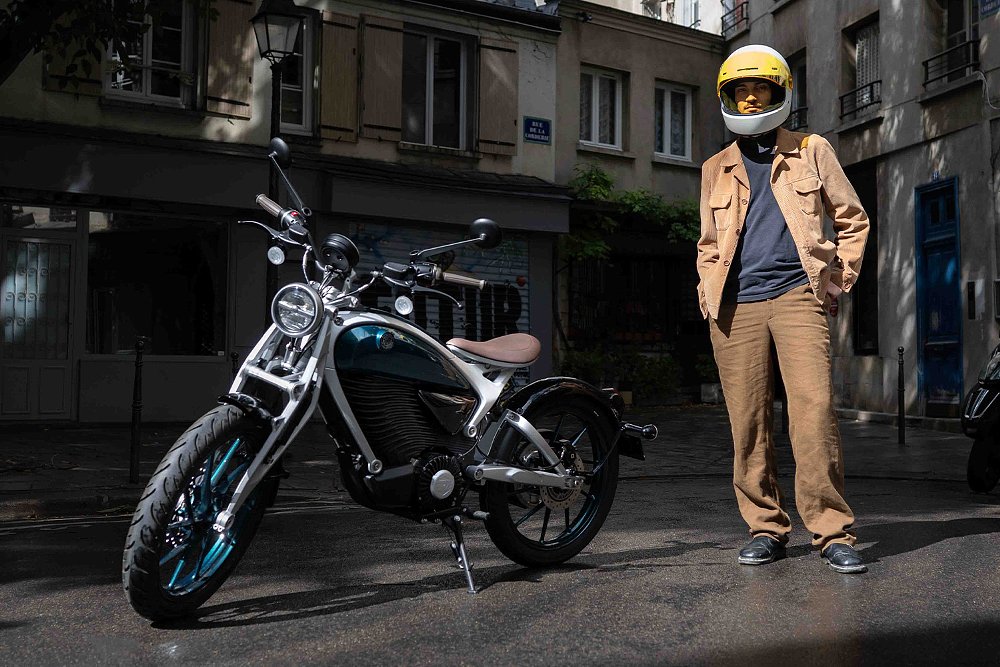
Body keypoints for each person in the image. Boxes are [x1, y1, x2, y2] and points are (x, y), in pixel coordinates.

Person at [696, 44, 870, 573]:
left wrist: (839, 278)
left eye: (761, 90)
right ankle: (765, 528)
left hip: (799, 296)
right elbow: (708, 243)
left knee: (813, 412)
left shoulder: (812, 149)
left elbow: (852, 218)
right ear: (728, 98)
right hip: (735, 306)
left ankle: (832, 531)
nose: (751, 98)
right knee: (747, 423)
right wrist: (707, 295)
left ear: (779, 94)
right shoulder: (714, 168)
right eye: (741, 91)